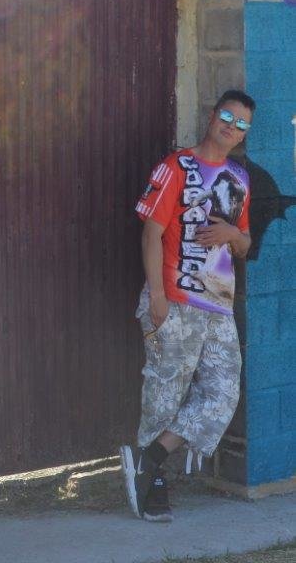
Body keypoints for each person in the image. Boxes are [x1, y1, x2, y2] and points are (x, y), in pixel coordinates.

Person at [120, 90, 255, 522]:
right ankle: (149, 480)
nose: (232, 126)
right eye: (228, 116)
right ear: (213, 116)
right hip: (174, 300)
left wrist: (231, 236)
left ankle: (152, 457)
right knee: (164, 392)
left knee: (223, 392)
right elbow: (150, 234)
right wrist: (157, 295)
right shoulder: (176, 166)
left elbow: (245, 244)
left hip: (217, 305)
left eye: (242, 124)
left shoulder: (238, 179)